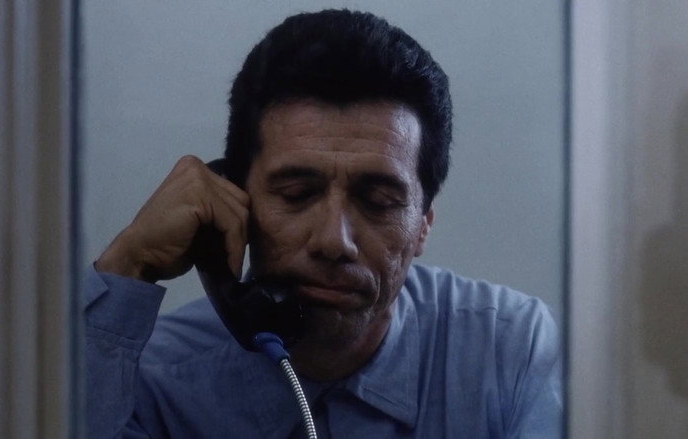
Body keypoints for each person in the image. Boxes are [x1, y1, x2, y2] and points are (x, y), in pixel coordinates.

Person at [86, 9, 562, 438]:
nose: (334, 241)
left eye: (379, 202)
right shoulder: (152, 378)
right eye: (297, 195)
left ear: (423, 224)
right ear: (236, 199)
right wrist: (130, 262)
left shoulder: (511, 352)